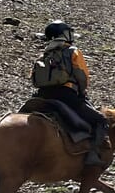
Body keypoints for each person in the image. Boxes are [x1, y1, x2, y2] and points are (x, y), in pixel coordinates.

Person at [31, 21, 108, 166]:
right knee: (100, 120)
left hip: (41, 95)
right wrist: (82, 92)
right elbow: (81, 76)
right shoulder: (73, 51)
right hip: (66, 95)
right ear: (63, 34)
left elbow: (34, 79)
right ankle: (92, 155)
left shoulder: (43, 55)